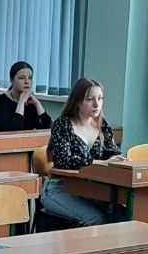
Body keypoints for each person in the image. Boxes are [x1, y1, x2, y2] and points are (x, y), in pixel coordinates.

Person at [42, 78, 123, 226]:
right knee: (96, 219)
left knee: (121, 214)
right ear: (77, 101)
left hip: (90, 188)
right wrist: (100, 163)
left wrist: (118, 159)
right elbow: (63, 160)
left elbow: (113, 153)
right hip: (60, 187)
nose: (96, 104)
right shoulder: (63, 124)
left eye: (100, 98)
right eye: (90, 99)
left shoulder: (102, 125)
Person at [0, 61, 51, 132]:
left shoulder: (31, 102)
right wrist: (21, 102)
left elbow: (47, 127)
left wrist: (37, 104)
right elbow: (13, 131)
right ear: (11, 80)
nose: (27, 82)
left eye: (30, 78)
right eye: (22, 78)